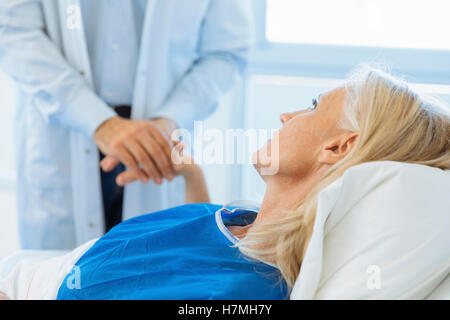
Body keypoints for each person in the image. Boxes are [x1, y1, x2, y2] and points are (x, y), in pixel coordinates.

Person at [0, 67, 449, 300]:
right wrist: (191, 176)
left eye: (313, 106)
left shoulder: (246, 290)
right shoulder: (245, 224)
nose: (287, 115)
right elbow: (203, 253)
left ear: (337, 148)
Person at [0, 0, 253, 249]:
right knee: (59, 279)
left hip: (160, 141)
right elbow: (13, 31)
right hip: (64, 128)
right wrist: (98, 121)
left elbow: (226, 51)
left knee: (153, 275)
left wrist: (168, 120)